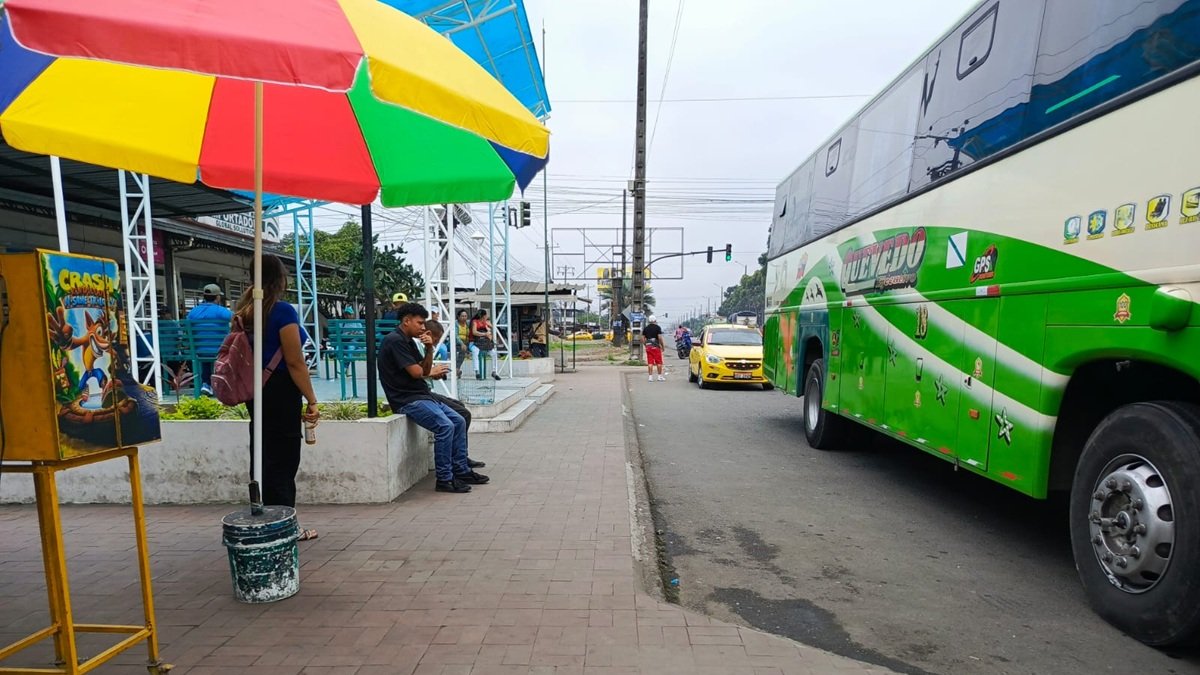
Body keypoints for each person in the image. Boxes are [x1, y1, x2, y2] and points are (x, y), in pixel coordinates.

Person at [234, 255, 321, 540]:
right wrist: (311, 398)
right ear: (281, 279)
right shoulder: (282, 311)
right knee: (283, 462)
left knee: (261, 455)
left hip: (253, 389)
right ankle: (284, 527)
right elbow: (295, 361)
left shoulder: (244, 310)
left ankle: (261, 518)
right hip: (280, 389)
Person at [378, 303, 489, 493]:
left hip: (420, 395)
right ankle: (444, 479)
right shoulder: (395, 341)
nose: (423, 327)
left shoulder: (408, 341)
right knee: (445, 426)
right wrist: (429, 370)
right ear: (406, 321)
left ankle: (460, 469)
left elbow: (424, 369)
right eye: (420, 323)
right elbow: (417, 372)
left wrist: (429, 348)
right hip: (407, 400)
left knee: (459, 419)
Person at [187, 283, 233, 396]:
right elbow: (237, 320)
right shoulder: (222, 311)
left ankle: (206, 384)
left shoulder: (193, 312)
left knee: (205, 350)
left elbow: (187, 329)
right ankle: (223, 384)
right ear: (217, 297)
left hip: (199, 351)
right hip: (220, 350)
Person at [469, 309, 501, 381]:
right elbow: (474, 332)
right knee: (475, 352)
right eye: (486, 315)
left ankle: (494, 372)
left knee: (494, 353)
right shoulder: (475, 322)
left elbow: (490, 332)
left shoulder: (485, 323)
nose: (487, 316)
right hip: (474, 342)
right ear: (483, 316)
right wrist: (485, 334)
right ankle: (477, 372)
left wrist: (490, 326)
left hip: (484, 343)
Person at [643, 315, 665, 382]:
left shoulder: (646, 328)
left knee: (650, 362)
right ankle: (659, 376)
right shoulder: (657, 328)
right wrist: (662, 346)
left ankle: (650, 377)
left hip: (648, 347)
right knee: (659, 362)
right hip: (656, 347)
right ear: (655, 321)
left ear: (649, 321)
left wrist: (645, 344)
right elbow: (660, 338)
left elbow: (642, 338)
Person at [454, 310, 470, 378]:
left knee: (464, 349)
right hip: (456, 342)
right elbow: (456, 336)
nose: (464, 318)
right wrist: (461, 343)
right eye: (462, 316)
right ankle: (457, 369)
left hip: (466, 343)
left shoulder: (468, 323)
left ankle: (457, 370)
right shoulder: (455, 324)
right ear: (458, 317)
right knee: (462, 350)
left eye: (465, 316)